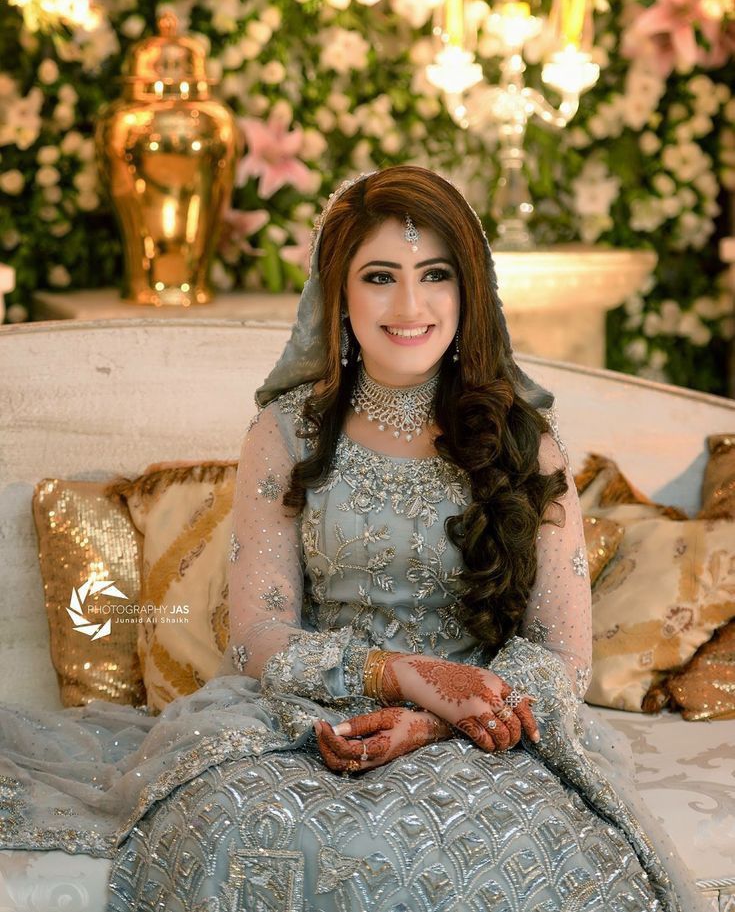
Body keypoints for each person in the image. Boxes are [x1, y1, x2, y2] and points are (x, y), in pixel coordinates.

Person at [0, 166, 705, 912]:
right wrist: (395, 674)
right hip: (316, 719)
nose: (409, 305)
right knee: (235, 826)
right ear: (337, 294)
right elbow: (257, 635)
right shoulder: (289, 433)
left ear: (468, 291)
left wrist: (435, 717)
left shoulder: (524, 442)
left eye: (434, 274)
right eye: (379, 276)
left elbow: (562, 655)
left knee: (526, 857)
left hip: (487, 735)